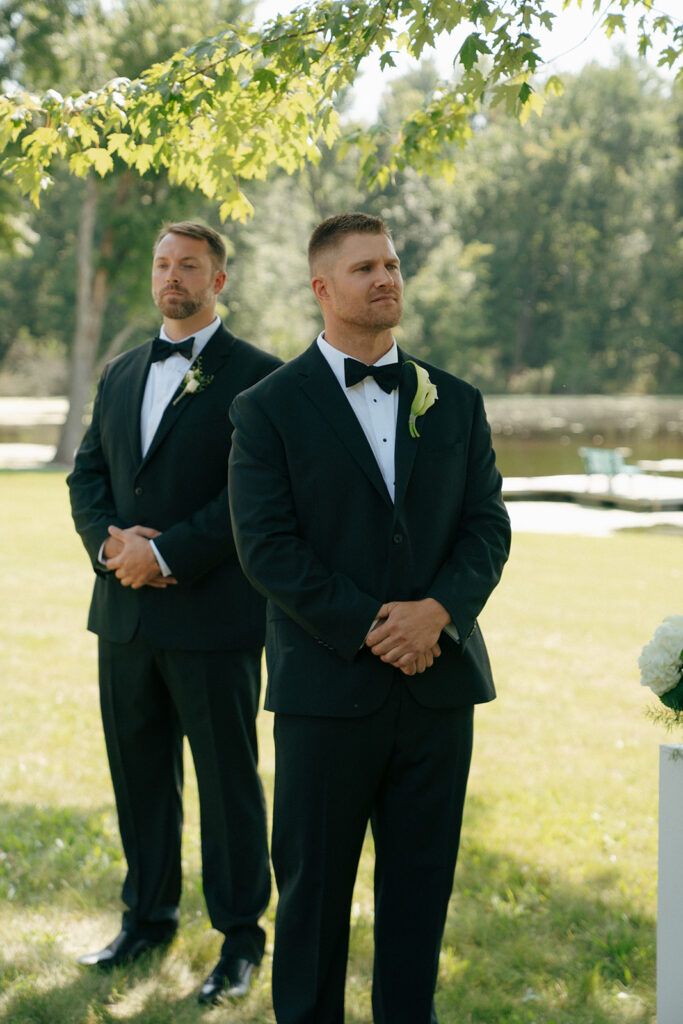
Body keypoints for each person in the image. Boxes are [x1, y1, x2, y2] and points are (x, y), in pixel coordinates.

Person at [227, 212, 511, 1024]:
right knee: (312, 902)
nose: (385, 278)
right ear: (321, 288)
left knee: (420, 898)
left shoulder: (453, 400)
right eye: (363, 268)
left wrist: (438, 615)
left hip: (437, 692)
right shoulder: (265, 408)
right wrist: (376, 627)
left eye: (390, 264)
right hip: (325, 693)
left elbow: (486, 526)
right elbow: (268, 550)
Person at [66, 220, 281, 1004]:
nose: (172, 277)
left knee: (228, 785)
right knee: (140, 777)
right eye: (162, 264)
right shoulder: (121, 371)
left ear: (218, 280)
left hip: (213, 620)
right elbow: (87, 477)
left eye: (189, 265)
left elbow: (252, 497)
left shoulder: (261, 378)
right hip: (122, 618)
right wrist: (112, 549)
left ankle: (240, 940)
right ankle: (147, 918)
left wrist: (167, 555)